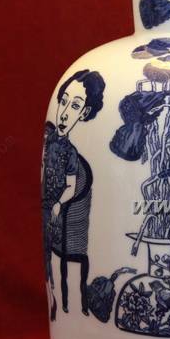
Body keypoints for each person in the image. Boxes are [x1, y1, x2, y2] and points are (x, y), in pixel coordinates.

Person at [41, 68, 105, 319]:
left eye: (75, 106)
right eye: (64, 102)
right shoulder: (49, 138)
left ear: (84, 113)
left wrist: (58, 204)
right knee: (48, 254)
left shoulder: (70, 152)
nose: (65, 112)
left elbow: (70, 185)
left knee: (58, 249)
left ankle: (69, 305)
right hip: (46, 205)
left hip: (58, 207)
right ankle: (55, 301)